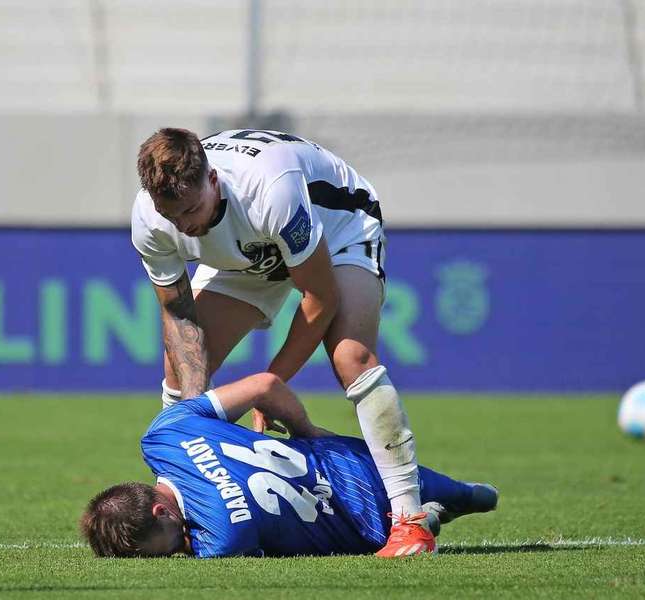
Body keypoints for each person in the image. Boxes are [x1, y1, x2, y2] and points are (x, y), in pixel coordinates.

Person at [132, 127, 429, 554]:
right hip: (245, 257)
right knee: (177, 372)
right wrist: (193, 428)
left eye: (191, 210)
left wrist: (269, 389)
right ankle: (182, 486)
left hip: (338, 227)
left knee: (351, 356)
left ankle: (411, 520)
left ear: (212, 180)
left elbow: (320, 298)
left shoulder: (270, 190)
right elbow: (180, 318)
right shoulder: (149, 217)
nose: (183, 226)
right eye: (171, 216)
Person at [80, 372, 498, 558]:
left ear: (161, 511)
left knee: (455, 502)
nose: (176, 550)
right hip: (353, 458)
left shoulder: (222, 538)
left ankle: (433, 514)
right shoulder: (162, 433)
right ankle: (455, 500)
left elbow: (211, 533)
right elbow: (265, 385)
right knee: (472, 496)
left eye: (166, 545)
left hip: (366, 525)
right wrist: (306, 430)